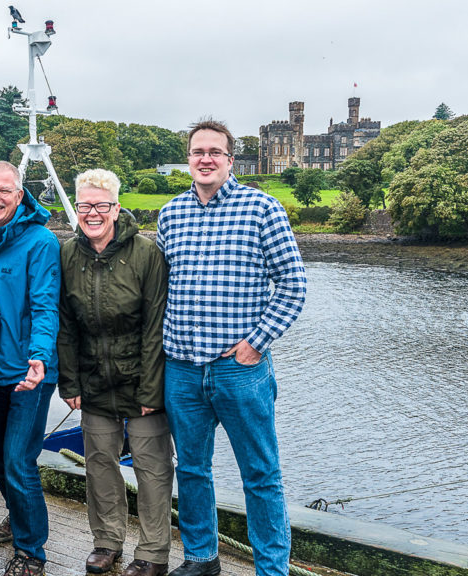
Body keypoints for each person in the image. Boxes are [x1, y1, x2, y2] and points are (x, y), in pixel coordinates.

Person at [157, 120, 307, 576]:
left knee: (260, 475)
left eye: (215, 152)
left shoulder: (262, 208)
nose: (205, 159)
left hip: (239, 371)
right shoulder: (170, 214)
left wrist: (255, 344)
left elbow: (294, 285)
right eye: (197, 151)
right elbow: (161, 287)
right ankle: (201, 557)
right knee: (193, 471)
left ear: (230, 160)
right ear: (189, 159)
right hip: (181, 369)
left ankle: (271, 569)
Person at [57, 169, 174, 576]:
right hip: (92, 380)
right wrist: (69, 381)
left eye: (100, 205)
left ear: (116, 207)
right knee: (100, 464)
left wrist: (150, 390)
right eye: (84, 205)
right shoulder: (68, 254)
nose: (92, 213)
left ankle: (154, 552)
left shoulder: (146, 253)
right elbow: (66, 324)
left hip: (141, 382)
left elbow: (155, 326)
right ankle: (107, 542)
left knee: (151, 467)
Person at [0, 161, 60, 576]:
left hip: (30, 373)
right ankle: (18, 515)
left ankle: (31, 552)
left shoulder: (40, 241)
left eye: (4, 190)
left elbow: (45, 305)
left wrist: (38, 357)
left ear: (20, 196)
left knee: (19, 460)